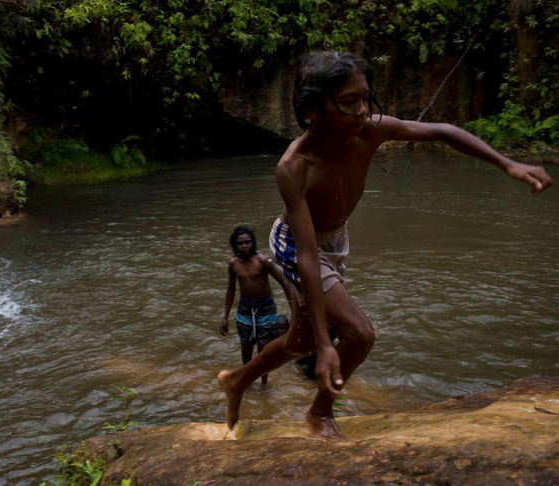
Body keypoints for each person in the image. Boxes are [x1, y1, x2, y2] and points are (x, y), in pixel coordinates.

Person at [218, 51, 553, 439]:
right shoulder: (295, 166)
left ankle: (237, 380)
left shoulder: (371, 130)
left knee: (301, 340)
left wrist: (507, 164)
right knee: (360, 335)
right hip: (297, 244)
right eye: (348, 102)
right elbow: (307, 256)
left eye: (365, 97)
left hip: (335, 236)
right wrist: (328, 346)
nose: (363, 111)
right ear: (312, 109)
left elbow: (443, 130)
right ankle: (319, 413)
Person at [220, 226, 292, 385]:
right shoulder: (233, 264)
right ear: (235, 245)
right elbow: (230, 290)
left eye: (247, 242)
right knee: (246, 347)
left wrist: (294, 309)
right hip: (245, 308)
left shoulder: (263, 261)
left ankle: (264, 382)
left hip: (265, 307)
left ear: (253, 243)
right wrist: (225, 317)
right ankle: (247, 381)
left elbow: (284, 283)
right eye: (240, 243)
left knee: (263, 349)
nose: (245, 246)